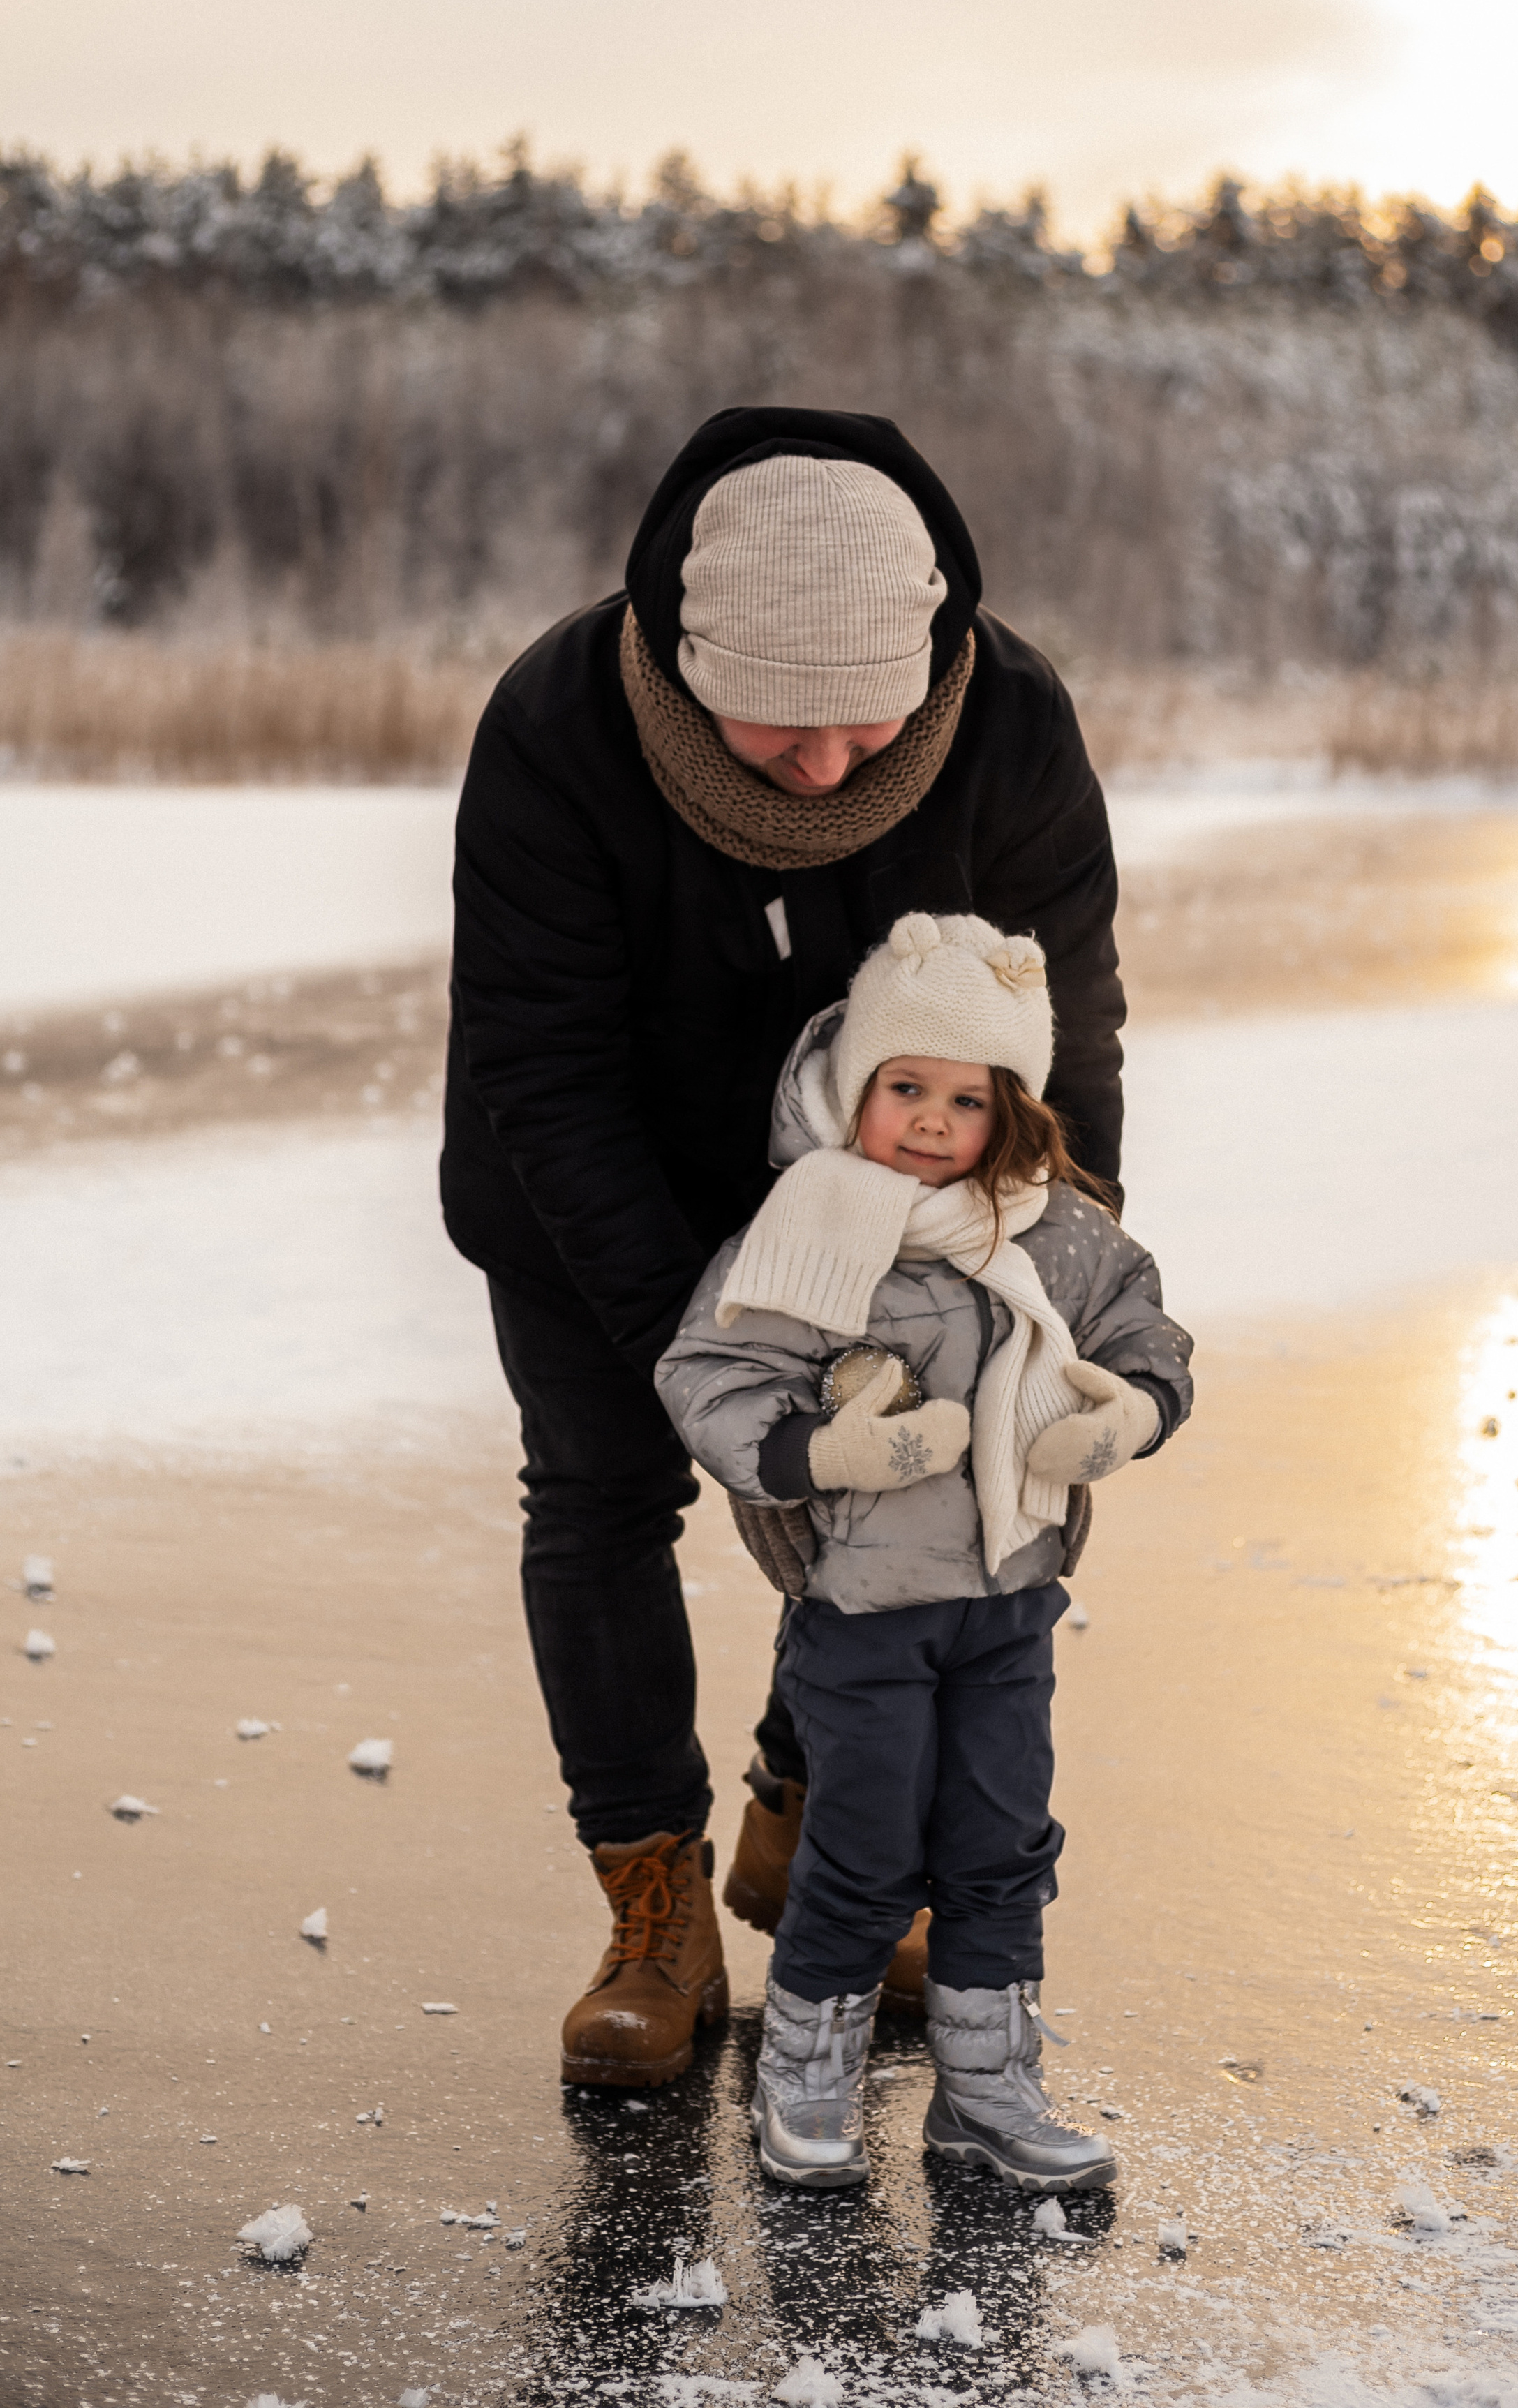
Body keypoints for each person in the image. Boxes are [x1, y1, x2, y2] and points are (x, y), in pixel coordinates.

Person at [442, 407, 1127, 2088]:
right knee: (606, 1501)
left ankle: (799, 1818)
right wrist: (713, 1369)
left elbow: (1062, 1017)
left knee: (924, 1506)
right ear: (682, 663)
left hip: (899, 1195)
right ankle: (652, 1904)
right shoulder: (557, 721)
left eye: (863, 725)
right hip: (590, 1186)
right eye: (776, 727)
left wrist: (1066, 1262)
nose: (825, 769)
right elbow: (543, 1065)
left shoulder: (1009, 719)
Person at [655, 912, 1194, 2190]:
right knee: (866, 1841)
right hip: (864, 1610)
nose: (937, 1120)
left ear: (1011, 1108)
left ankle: (986, 2090)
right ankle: (805, 2074)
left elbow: (1147, 1338)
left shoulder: (1058, 1233)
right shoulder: (812, 1226)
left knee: (1003, 1839)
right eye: (908, 1088)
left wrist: (1126, 1414)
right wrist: (819, 1456)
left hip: (1010, 1605)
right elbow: (710, 1375)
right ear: (858, 1090)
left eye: (969, 1096)